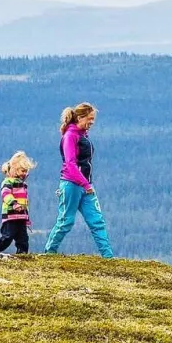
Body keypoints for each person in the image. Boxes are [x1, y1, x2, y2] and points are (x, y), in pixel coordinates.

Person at [43, 102, 114, 258]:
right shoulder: (70, 136)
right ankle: (49, 252)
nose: (92, 122)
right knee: (66, 221)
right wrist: (85, 184)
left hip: (86, 186)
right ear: (80, 117)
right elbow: (70, 164)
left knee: (97, 221)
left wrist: (87, 184)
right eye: (90, 119)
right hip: (72, 185)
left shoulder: (82, 135)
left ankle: (108, 257)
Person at [0, 151, 35, 253]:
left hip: (21, 217)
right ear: (14, 169)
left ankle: (22, 255)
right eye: (22, 170)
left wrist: (26, 216)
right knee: (7, 238)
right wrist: (14, 204)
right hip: (10, 217)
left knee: (23, 240)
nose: (25, 173)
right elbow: (5, 194)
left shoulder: (23, 185)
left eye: (26, 171)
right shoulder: (8, 182)